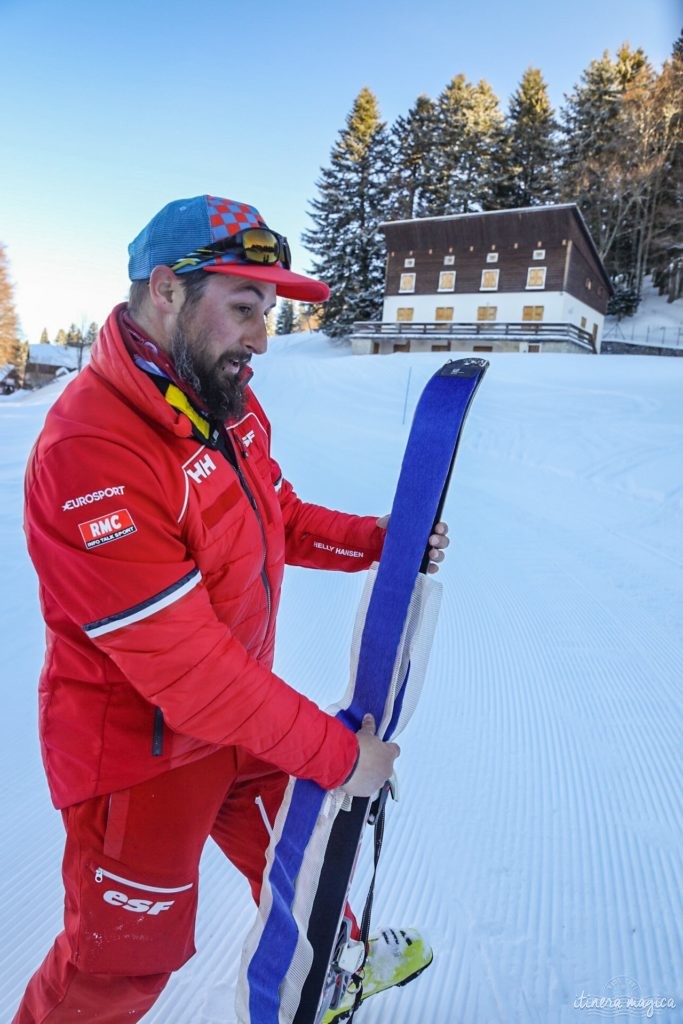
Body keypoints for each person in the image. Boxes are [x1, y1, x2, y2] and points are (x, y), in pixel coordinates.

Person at [14, 194, 449, 1023]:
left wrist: (379, 540)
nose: (261, 338)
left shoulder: (223, 402)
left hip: (233, 715)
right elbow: (182, 666)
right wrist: (335, 752)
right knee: (118, 968)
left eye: (270, 314)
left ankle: (333, 966)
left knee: (305, 852)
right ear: (168, 291)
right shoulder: (91, 448)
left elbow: (274, 514)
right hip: (143, 759)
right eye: (244, 308)